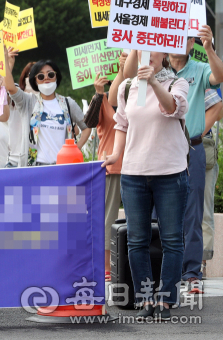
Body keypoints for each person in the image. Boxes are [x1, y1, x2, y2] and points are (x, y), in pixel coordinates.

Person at [123, 27, 223, 294]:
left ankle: (189, 274)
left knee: (190, 215)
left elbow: (218, 87)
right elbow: (124, 84)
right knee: (148, 227)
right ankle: (151, 287)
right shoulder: (139, 81)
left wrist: (210, 47)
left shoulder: (194, 72)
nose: (182, 41)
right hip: (146, 163)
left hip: (188, 151)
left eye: (188, 37)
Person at [103, 50, 190, 320]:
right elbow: (122, 124)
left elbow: (173, 109)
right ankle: (145, 300)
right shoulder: (128, 87)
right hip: (134, 172)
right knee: (137, 239)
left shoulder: (177, 83)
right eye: (142, 50)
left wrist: (153, 82)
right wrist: (117, 154)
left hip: (170, 172)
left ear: (165, 54)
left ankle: (166, 299)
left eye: (153, 50)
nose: (147, 56)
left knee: (172, 239)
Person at [84, 51, 128, 279]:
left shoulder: (139, 97)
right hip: (111, 167)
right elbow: (89, 122)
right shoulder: (104, 100)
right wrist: (98, 94)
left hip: (137, 167)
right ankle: (106, 266)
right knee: (108, 217)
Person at [5, 48, 90, 166]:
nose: (46, 78)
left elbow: (86, 127)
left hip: (63, 166)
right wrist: (7, 62)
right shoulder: (29, 101)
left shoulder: (68, 103)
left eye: (50, 74)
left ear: (56, 76)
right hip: (35, 167)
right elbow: (10, 87)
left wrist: (76, 149)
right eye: (40, 76)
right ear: (35, 81)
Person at [202, 88, 223, 271]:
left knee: (204, 209)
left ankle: (200, 263)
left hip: (201, 149)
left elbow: (219, 108)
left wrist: (195, 134)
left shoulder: (199, 74)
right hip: (172, 150)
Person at [5, 62, 35, 168]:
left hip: (35, 161)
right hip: (14, 160)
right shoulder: (16, 97)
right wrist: (8, 63)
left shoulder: (45, 102)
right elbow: (9, 87)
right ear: (25, 78)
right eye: (31, 75)